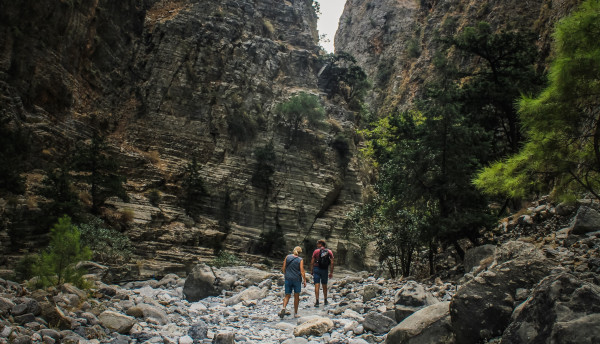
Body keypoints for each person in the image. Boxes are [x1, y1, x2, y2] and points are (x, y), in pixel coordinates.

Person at [280, 246, 306, 318]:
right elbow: (302, 271)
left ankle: (284, 307)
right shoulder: (300, 259)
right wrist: (304, 280)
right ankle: (295, 313)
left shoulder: (287, 257)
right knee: (296, 296)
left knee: (287, 295)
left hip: (288, 278)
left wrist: (286, 274)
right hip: (296, 279)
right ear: (300, 253)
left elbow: (283, 267)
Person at [310, 239, 334, 306]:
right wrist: (331, 272)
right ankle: (325, 300)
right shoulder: (329, 251)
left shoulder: (316, 251)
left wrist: (311, 271)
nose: (317, 245)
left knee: (317, 285)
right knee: (324, 284)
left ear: (320, 244)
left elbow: (312, 262)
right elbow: (332, 263)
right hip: (325, 269)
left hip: (316, 268)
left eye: (318, 244)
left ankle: (317, 301)